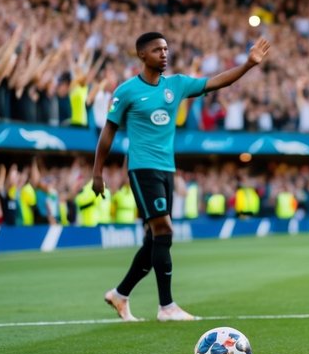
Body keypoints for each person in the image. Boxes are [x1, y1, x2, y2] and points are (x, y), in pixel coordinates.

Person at [93, 31, 270, 322]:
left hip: (167, 169)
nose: (164, 54)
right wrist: (97, 172)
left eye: (165, 49)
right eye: (156, 50)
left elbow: (217, 81)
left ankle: (120, 294)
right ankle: (166, 307)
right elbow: (108, 131)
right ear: (141, 55)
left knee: (155, 239)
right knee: (164, 231)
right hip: (142, 168)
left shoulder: (176, 85)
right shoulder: (126, 91)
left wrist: (249, 64)